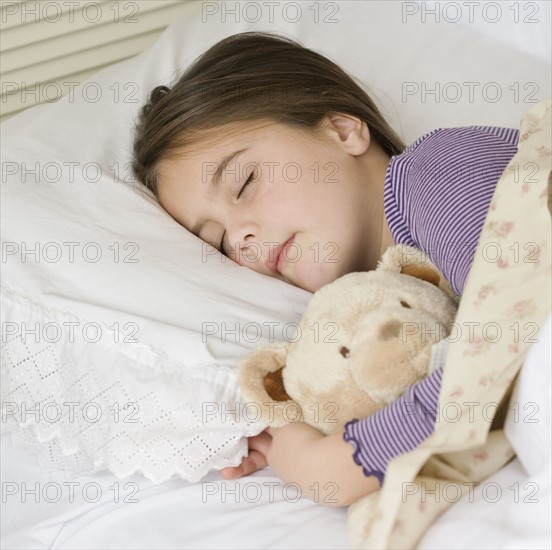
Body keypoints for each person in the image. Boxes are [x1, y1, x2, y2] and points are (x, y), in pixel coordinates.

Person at [131, 31, 519, 507]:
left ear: (342, 129)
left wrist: (331, 464)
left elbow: (511, 335)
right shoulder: (375, 309)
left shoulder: (439, 172)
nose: (242, 238)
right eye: (219, 242)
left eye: (245, 182)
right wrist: (301, 431)